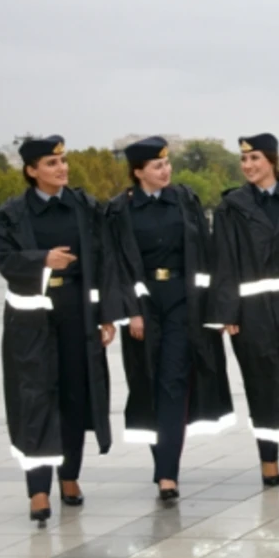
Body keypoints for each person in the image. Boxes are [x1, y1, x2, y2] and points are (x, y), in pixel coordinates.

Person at [0, 135, 117, 524]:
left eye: (62, 160)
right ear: (31, 171)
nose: (61, 168)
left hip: (77, 312)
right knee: (36, 399)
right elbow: (5, 260)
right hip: (31, 320)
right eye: (50, 163)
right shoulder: (10, 214)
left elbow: (107, 259)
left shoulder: (85, 207)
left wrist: (107, 315)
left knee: (75, 397)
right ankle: (38, 489)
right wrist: (43, 259)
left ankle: (70, 477)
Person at [104, 137, 234, 502]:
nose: (166, 171)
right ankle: (162, 463)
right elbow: (115, 263)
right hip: (144, 307)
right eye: (157, 166)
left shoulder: (185, 200)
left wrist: (213, 306)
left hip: (183, 303)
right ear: (138, 172)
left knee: (174, 381)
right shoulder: (119, 211)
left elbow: (205, 252)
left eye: (167, 164)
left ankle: (167, 474)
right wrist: (131, 310)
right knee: (149, 382)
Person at [206, 133, 279, 486]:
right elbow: (222, 261)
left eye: (255, 158)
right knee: (263, 382)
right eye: (244, 160)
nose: (248, 166)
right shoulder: (232, 207)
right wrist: (227, 312)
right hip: (252, 311)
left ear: (272, 160)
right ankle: (268, 457)